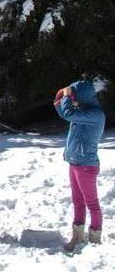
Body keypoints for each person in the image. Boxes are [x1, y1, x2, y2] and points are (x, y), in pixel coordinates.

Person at [54, 79, 106, 251]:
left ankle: (95, 239)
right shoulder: (83, 111)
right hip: (75, 162)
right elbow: (65, 113)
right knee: (78, 201)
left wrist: (66, 97)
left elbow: (69, 114)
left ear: (83, 96)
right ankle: (77, 237)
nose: (73, 100)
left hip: (86, 165)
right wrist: (59, 100)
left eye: (74, 97)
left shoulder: (95, 115)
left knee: (92, 203)